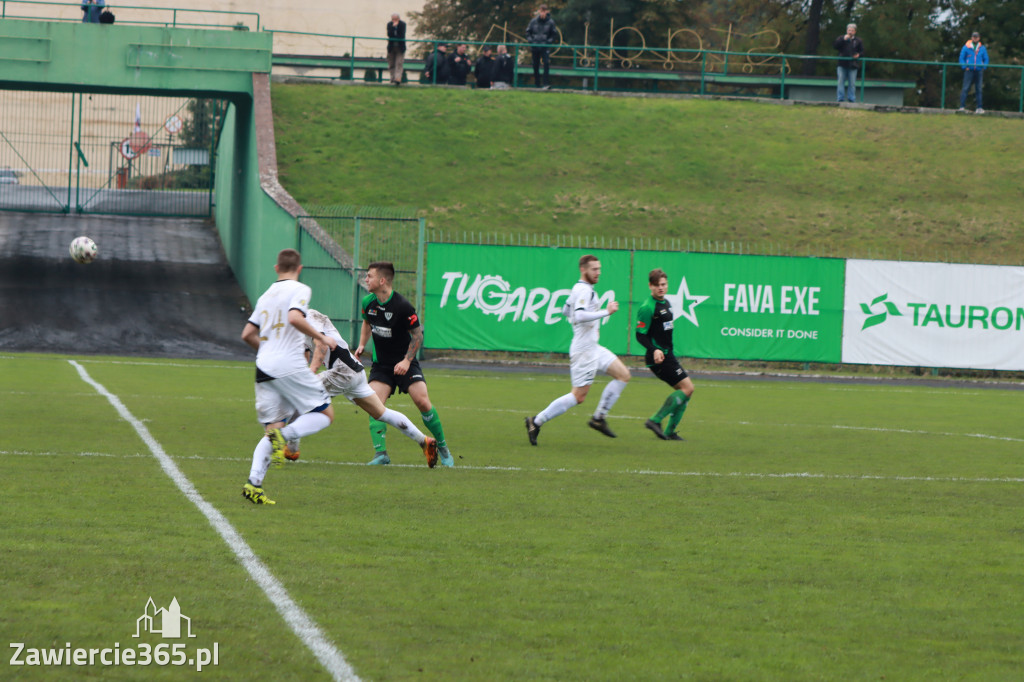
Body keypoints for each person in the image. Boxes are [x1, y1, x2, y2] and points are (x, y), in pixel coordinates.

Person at [240, 249, 338, 505]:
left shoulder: (265, 295)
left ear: (276, 268)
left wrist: (268, 351)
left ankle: (254, 485)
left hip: (264, 367)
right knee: (325, 415)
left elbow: (247, 334)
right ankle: (284, 438)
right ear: (299, 268)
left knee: (272, 430)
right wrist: (320, 336)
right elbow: (295, 317)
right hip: (289, 365)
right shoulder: (300, 289)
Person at [283, 309, 439, 467]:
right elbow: (305, 353)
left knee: (299, 397)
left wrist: (311, 373)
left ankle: (291, 449)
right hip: (354, 372)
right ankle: (424, 441)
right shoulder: (296, 326)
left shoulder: (310, 316)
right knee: (382, 413)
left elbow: (322, 344)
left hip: (342, 372)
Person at [354, 261, 455, 467]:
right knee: (374, 405)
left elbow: (417, 335)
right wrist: (361, 345)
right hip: (382, 366)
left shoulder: (402, 306)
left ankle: (443, 448)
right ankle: (381, 454)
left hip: (405, 362)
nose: (366, 279)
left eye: (369, 276)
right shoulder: (368, 302)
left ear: (382, 280)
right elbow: (366, 322)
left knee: (423, 402)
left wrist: (407, 361)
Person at [524, 255, 631, 445]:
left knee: (623, 375)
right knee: (578, 396)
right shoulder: (583, 290)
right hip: (584, 351)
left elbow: (567, 311)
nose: (598, 272)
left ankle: (598, 418)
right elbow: (579, 315)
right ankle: (536, 421)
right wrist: (607, 312)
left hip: (593, 347)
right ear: (583, 270)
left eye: (599, 269)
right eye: (594, 269)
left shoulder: (580, 289)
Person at [635, 269, 695, 441]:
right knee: (688, 388)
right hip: (659, 359)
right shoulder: (648, 307)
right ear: (650, 286)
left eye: (663, 284)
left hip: (669, 355)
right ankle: (655, 420)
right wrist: (654, 350)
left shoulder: (666, 303)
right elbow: (640, 334)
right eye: (657, 285)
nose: (661, 288)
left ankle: (669, 431)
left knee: (686, 392)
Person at [526, 5, 558, 89]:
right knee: (535, 64)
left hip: (545, 46)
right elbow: (528, 32)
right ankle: (537, 83)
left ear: (547, 11)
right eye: (541, 11)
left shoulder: (550, 22)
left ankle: (545, 83)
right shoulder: (533, 21)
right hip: (535, 46)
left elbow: (554, 34)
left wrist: (548, 42)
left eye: (544, 11)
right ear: (539, 11)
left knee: (546, 64)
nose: (543, 12)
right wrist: (532, 41)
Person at [958, 32, 988, 113]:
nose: (975, 38)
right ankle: (962, 107)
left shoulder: (982, 48)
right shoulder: (966, 47)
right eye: (974, 37)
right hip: (969, 70)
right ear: (972, 38)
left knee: (979, 89)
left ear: (979, 38)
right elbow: (961, 58)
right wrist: (965, 67)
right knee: (965, 88)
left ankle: (979, 108)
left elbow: (986, 59)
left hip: (979, 70)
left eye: (976, 37)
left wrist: (983, 67)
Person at [833, 23, 863, 103]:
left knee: (852, 83)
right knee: (840, 82)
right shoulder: (841, 38)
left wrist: (858, 55)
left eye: (852, 30)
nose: (850, 32)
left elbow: (862, 51)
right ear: (847, 30)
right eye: (849, 30)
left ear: (855, 32)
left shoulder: (858, 41)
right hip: (842, 64)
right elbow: (835, 46)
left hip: (853, 65)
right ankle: (840, 99)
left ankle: (851, 99)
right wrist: (843, 39)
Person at [386, 13, 407, 86]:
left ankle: (397, 78)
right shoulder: (389, 24)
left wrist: (397, 28)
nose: (394, 21)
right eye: (393, 19)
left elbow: (401, 35)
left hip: (400, 47)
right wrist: (393, 27)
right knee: (391, 63)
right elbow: (389, 34)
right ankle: (392, 78)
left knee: (399, 63)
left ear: (398, 19)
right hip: (391, 47)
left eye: (395, 19)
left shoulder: (402, 24)